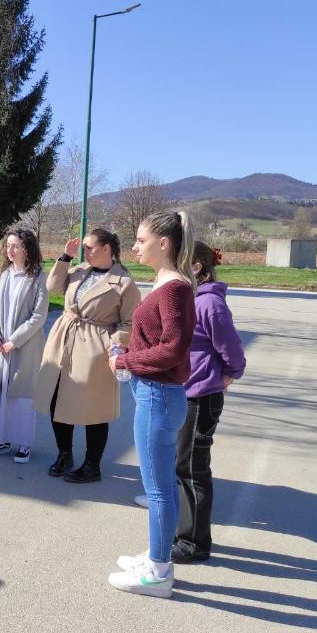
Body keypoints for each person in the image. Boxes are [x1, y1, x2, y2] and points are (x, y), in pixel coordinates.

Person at [109, 211, 197, 598]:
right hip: (155, 393)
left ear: (164, 244)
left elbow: (174, 349)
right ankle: (156, 555)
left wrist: (126, 360)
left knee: (158, 489)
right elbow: (160, 339)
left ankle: (159, 572)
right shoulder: (166, 283)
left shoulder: (175, 288)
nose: (134, 247)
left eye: (141, 241)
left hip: (158, 395)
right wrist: (131, 346)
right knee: (158, 485)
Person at [33, 229, 140, 482]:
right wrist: (65, 258)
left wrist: (115, 346)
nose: (85, 251)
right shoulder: (79, 269)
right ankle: (64, 454)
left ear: (107, 248)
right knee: (57, 399)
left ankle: (92, 466)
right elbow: (53, 286)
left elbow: (130, 323)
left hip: (95, 347)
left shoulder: (124, 282)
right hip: (63, 338)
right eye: (84, 248)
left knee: (94, 408)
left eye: (90, 247)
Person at [172, 242, 246, 561]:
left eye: (181, 262)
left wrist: (228, 376)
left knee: (192, 470)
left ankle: (195, 543)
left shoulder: (210, 304)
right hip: (187, 392)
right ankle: (186, 532)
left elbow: (233, 350)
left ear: (197, 267)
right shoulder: (193, 299)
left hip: (202, 397)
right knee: (183, 465)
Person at [0, 229, 49, 464]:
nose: (10, 251)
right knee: (1, 391)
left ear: (28, 249)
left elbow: (39, 316)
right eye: (8, 246)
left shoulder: (39, 277)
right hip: (1, 347)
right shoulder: (3, 275)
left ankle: (24, 442)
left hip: (26, 346)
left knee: (22, 394)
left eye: (16, 246)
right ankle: (1, 438)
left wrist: (15, 340)